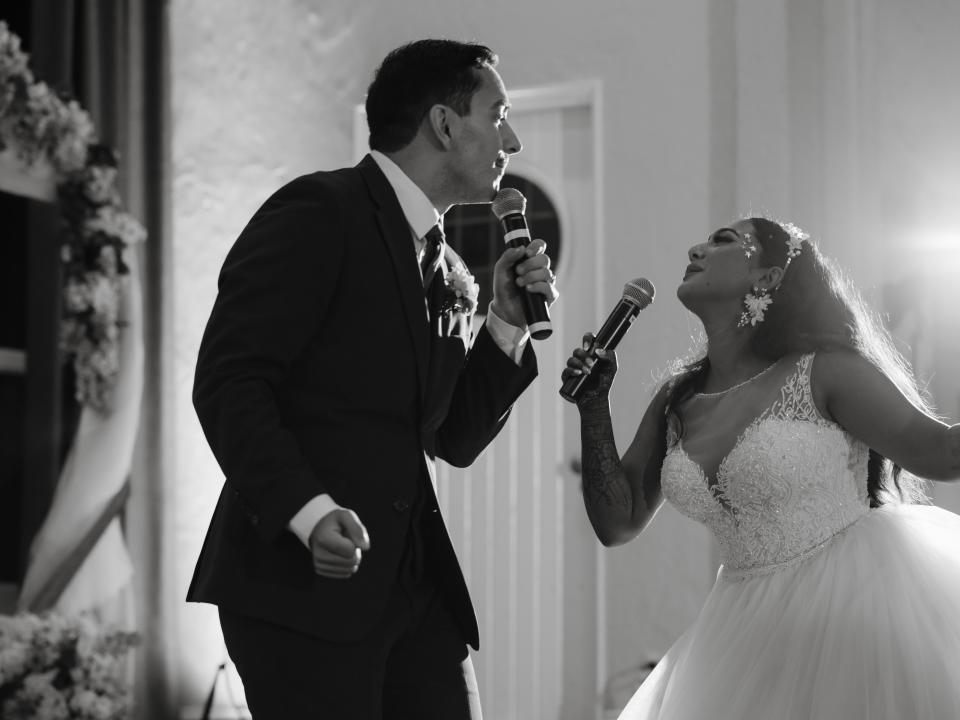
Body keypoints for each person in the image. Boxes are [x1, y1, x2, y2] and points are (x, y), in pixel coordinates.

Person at [188, 39, 558, 720]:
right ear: (445, 124)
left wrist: (504, 323)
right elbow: (229, 380)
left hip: (417, 590)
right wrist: (306, 509)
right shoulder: (320, 212)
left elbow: (453, 436)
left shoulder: (452, 274)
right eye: (497, 113)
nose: (512, 137)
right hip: (300, 586)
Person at [563, 217, 960, 719]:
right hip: (742, 630)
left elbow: (942, 453)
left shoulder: (826, 369)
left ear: (768, 277)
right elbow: (617, 522)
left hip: (855, 611)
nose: (696, 247)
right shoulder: (677, 400)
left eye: (722, 241)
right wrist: (593, 406)